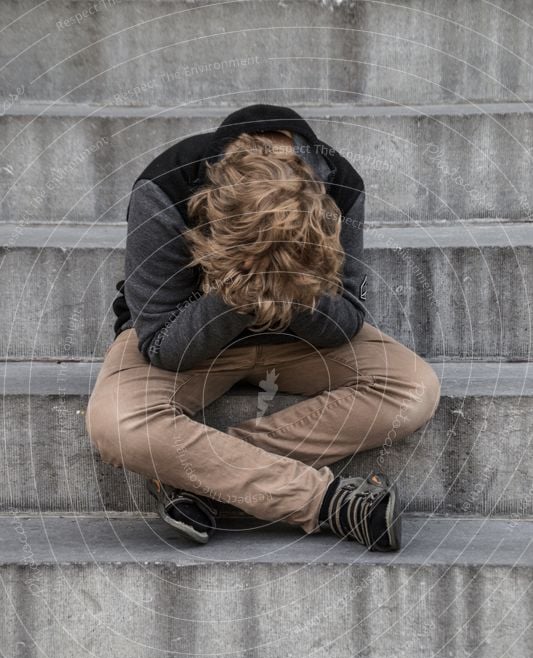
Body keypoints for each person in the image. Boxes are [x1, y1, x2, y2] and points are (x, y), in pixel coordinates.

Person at [86, 103, 441, 549]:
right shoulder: (165, 186)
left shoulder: (339, 186)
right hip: (185, 338)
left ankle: (200, 477)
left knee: (414, 389)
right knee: (116, 425)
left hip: (301, 342)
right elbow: (162, 345)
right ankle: (326, 501)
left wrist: (292, 282)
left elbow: (346, 322)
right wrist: (241, 291)